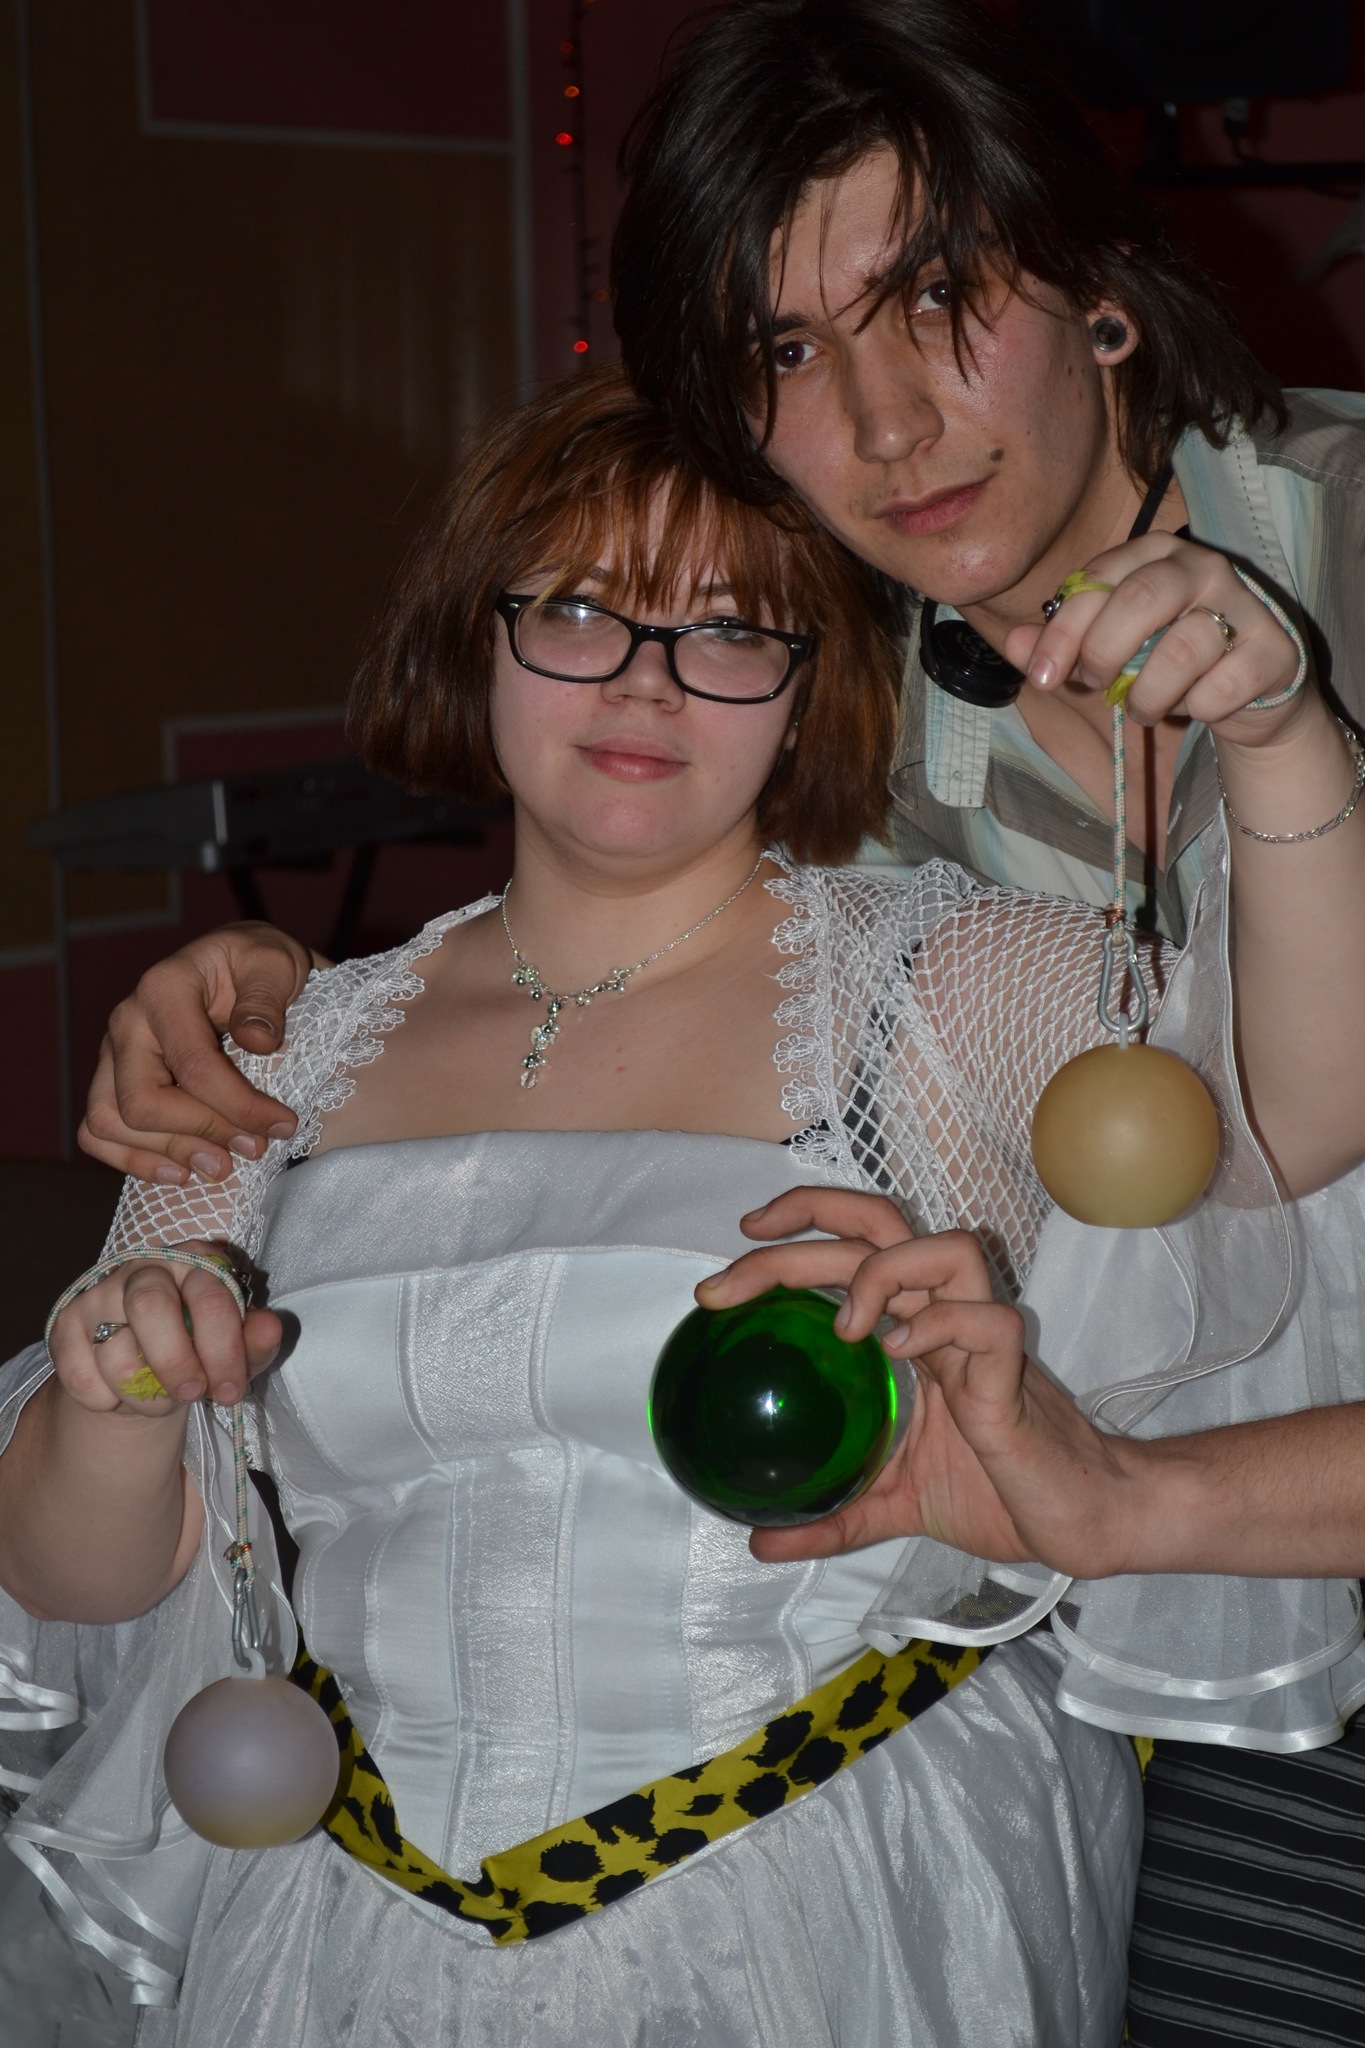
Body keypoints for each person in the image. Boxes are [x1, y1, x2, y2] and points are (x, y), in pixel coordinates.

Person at [54, 2, 1365, 2038]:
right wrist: (289, 1007)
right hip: (1185, 1619)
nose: (887, 422)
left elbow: (1288, 1125)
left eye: (933, 297)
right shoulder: (865, 716)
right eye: (784, 351)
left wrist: (1284, 738)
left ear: (1100, 289)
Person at [0, 365, 1177, 2044]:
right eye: (577, 611)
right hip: (348, 1921)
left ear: (808, 689)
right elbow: (83, 1579)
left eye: (729, 632)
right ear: (475, 640)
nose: (645, 682)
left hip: (824, 1895)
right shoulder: (277, 1052)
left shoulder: (951, 987)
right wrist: (114, 1392)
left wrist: (1278, 744)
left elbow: (1300, 1106)